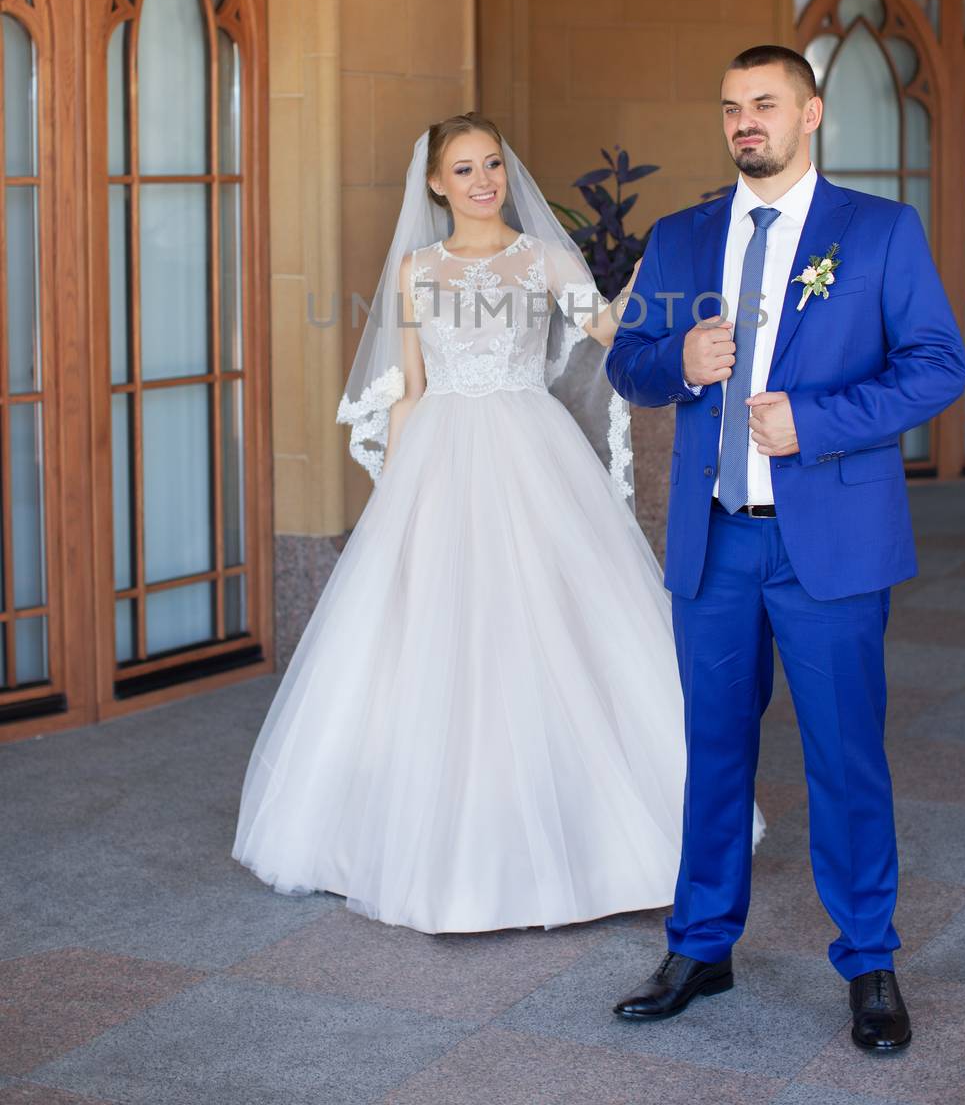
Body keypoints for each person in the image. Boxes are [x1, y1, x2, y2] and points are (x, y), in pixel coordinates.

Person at [232, 112, 763, 934]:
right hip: (440, 458)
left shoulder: (545, 258)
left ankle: (600, 834)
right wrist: (393, 502)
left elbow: (611, 336)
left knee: (553, 625)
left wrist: (670, 308)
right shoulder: (415, 270)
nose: (482, 180)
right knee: (437, 633)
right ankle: (428, 841)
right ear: (436, 184)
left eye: (491, 165)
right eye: (464, 168)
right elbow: (409, 389)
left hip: (529, 449)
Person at [606, 46, 965, 1052]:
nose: (743, 123)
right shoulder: (680, 238)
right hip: (712, 540)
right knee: (712, 748)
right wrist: (675, 359)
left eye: (763, 104)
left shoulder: (877, 232)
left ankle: (868, 961)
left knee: (844, 757)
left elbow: (936, 366)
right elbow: (628, 364)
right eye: (729, 108)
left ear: (809, 112)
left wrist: (816, 419)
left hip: (829, 548)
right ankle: (700, 944)